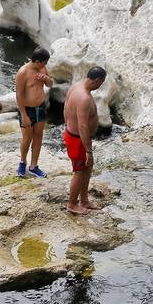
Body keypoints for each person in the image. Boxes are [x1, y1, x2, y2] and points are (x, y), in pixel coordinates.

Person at [62, 66, 107, 216]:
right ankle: (72, 204)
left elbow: (65, 108)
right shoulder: (84, 98)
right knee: (79, 172)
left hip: (73, 135)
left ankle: (84, 200)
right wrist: (88, 150)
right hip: (77, 139)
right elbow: (82, 126)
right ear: (96, 80)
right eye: (102, 82)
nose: (101, 85)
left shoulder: (76, 86)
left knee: (87, 168)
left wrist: (67, 126)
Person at [15, 47, 54, 178]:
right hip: (27, 109)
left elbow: (50, 84)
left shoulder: (42, 69)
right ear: (37, 61)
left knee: (38, 136)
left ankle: (33, 166)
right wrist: (24, 115)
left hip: (40, 107)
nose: (45, 65)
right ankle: (22, 162)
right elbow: (19, 95)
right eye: (44, 62)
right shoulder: (23, 72)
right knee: (27, 138)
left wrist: (47, 80)